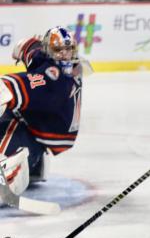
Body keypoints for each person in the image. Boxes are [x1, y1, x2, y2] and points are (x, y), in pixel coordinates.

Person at [1, 27, 89, 205]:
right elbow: (27, 47)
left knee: (9, 109)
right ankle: (34, 164)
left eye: (68, 49)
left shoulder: (55, 78)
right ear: (47, 50)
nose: (64, 55)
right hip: (39, 130)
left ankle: (14, 172)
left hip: (34, 132)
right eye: (58, 50)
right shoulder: (48, 61)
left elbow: (9, 88)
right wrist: (24, 47)